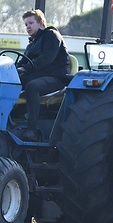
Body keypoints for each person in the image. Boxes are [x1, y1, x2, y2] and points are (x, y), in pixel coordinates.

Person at [17, 10, 70, 141]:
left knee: (32, 87)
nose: (28, 27)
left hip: (56, 78)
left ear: (41, 23)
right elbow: (23, 62)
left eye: (31, 23)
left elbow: (46, 58)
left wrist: (26, 68)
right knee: (10, 82)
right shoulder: (32, 44)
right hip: (39, 76)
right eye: (26, 24)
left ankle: (32, 129)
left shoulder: (52, 35)